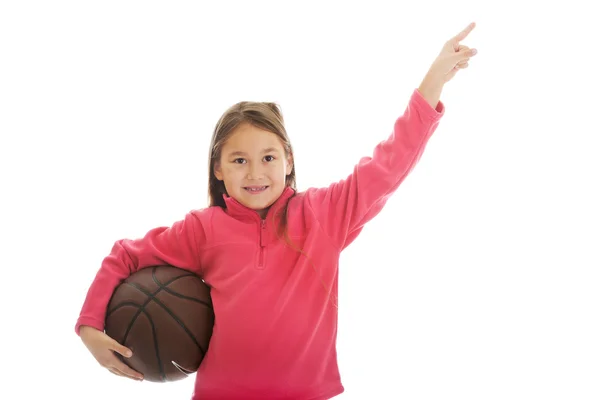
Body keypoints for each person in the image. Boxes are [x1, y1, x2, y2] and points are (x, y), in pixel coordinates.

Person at [76, 22, 478, 400]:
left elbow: (390, 162)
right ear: (218, 168)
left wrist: (434, 81)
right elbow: (125, 255)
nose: (255, 172)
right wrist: (90, 327)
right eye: (238, 161)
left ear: (288, 159)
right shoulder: (202, 228)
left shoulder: (325, 213)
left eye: (268, 157)